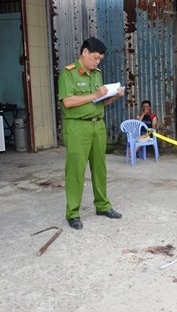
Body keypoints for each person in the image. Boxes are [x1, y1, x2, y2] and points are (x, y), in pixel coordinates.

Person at [58, 37, 125, 230]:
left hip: (98, 125)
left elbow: (99, 102)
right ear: (84, 52)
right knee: (76, 170)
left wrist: (113, 96)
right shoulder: (68, 73)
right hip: (77, 127)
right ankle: (73, 213)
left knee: (99, 168)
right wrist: (95, 95)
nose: (97, 62)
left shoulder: (96, 74)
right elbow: (68, 102)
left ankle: (102, 206)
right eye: (95, 58)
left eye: (100, 60)